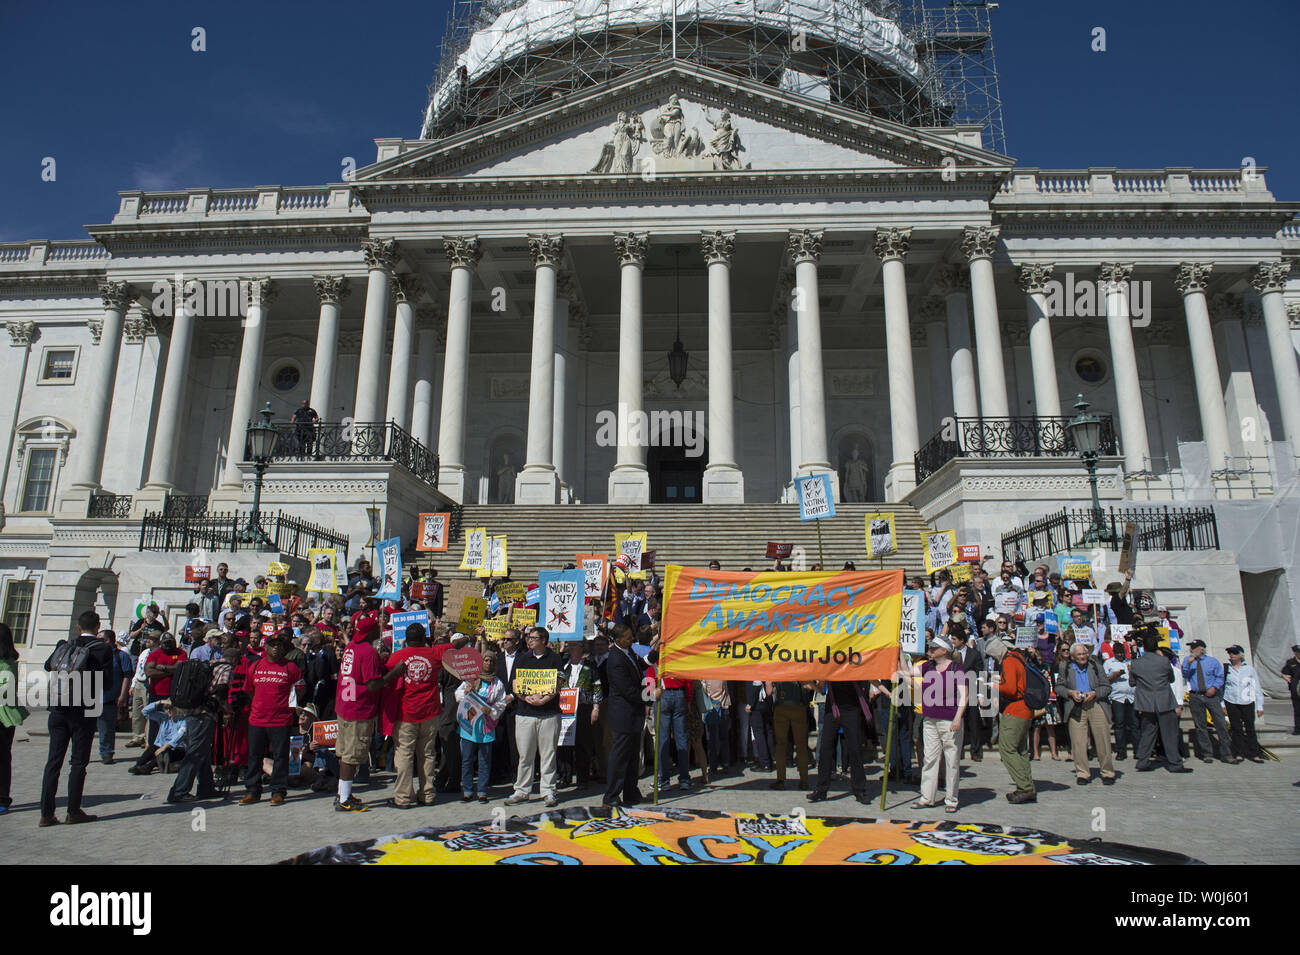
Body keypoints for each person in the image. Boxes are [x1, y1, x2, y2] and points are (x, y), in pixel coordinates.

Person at [40, 611, 114, 826]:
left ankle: (46, 813)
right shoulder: (102, 649)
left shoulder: (65, 644)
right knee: (78, 762)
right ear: (98, 626)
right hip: (84, 709)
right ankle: (73, 811)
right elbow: (108, 683)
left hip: (59, 707)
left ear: (78, 626)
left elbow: (48, 665)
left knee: (53, 761)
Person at [333, 615, 402, 811]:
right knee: (351, 756)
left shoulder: (351, 648)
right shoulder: (367, 652)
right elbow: (373, 685)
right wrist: (394, 673)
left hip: (345, 706)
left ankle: (342, 793)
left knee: (347, 753)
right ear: (372, 632)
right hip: (358, 709)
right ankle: (344, 800)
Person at [384, 622, 449, 808]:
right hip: (430, 712)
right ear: (424, 638)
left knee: (404, 754)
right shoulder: (434, 654)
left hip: (406, 713)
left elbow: (385, 677)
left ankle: (403, 797)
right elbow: (455, 645)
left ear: (406, 639)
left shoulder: (397, 656)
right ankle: (427, 794)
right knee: (427, 754)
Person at [239, 636, 305, 806]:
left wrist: (287, 707)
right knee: (254, 756)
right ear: (265, 648)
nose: (276, 648)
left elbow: (301, 689)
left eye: (279, 645)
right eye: (272, 645)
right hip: (257, 719)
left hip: (281, 720)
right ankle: (252, 791)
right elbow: (249, 690)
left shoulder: (291, 667)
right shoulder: (255, 666)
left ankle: (278, 791)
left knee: (280, 757)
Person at [506, 627, 564, 807]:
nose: (529, 640)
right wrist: (526, 697)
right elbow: (515, 684)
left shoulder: (555, 658)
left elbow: (558, 683)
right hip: (525, 714)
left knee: (548, 754)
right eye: (528, 637)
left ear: (544, 640)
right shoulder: (522, 658)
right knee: (525, 755)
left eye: (534, 638)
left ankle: (548, 790)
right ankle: (522, 790)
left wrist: (545, 699)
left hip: (549, 714)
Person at [911, 635, 967, 812]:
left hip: (949, 720)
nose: (931, 650)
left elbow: (964, 696)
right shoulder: (928, 666)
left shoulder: (957, 669)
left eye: (934, 648)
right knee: (930, 759)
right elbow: (908, 673)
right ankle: (927, 797)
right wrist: (898, 654)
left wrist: (958, 718)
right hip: (930, 719)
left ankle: (951, 800)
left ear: (945, 651)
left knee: (951, 760)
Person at [1131, 629, 1191, 773]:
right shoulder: (1164, 661)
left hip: (1146, 702)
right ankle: (1175, 763)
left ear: (1143, 647)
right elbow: (1171, 679)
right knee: (1169, 734)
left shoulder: (1136, 663)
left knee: (1148, 733)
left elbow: (1132, 682)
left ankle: (1142, 761)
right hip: (1164, 700)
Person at [984, 638, 1036, 803]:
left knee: (1007, 749)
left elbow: (1011, 689)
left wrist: (993, 685)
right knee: (1020, 750)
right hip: (1025, 709)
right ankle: (1027, 785)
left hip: (1015, 710)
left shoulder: (1008, 661)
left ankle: (1024, 787)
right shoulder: (1017, 657)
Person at [1056, 642, 1116, 786]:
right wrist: (1070, 692)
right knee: (1078, 741)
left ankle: (1107, 772)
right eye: (1079, 655)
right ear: (1072, 657)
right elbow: (1059, 687)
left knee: (1103, 739)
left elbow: (1106, 686)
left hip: (1095, 702)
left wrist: (1094, 693)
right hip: (1076, 705)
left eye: (1084, 654)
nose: (1083, 657)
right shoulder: (1065, 667)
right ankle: (1082, 773)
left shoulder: (1095, 665)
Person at [456, 652, 510, 801]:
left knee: (485, 760)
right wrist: (465, 692)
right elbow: (458, 694)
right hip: (469, 725)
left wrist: (492, 711)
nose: (488, 663)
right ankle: (467, 790)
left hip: (486, 726)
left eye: (491, 661)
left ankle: (482, 791)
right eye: (485, 660)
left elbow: (501, 703)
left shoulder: (497, 683)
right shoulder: (472, 679)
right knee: (467, 759)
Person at [602, 624, 646, 808]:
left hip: (634, 714)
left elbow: (640, 666)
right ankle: (611, 795)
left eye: (631, 635)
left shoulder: (629, 653)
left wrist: (655, 653)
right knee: (620, 756)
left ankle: (631, 791)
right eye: (627, 637)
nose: (631, 639)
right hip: (623, 714)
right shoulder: (615, 659)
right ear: (618, 640)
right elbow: (628, 690)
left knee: (633, 756)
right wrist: (650, 696)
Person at [808, 680, 871, 804]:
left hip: (851, 708)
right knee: (825, 748)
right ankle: (821, 789)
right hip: (832, 707)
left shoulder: (852, 663)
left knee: (855, 749)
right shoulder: (829, 664)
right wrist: (811, 683)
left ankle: (860, 789)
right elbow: (821, 689)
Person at [558, 640, 602, 789]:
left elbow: (597, 688)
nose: (570, 648)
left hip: (583, 708)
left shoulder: (590, 667)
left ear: (581, 648)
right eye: (570, 646)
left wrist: (595, 708)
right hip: (565, 709)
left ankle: (583, 779)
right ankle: (565, 776)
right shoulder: (563, 666)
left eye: (574, 645)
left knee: (583, 744)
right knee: (564, 743)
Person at [1181, 640, 1233, 763]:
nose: (1192, 650)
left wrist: (1214, 687)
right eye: (1191, 648)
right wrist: (1188, 664)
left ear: (1202, 649)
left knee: (1220, 724)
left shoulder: (1212, 662)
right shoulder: (1188, 661)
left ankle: (1227, 753)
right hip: (1196, 695)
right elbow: (1184, 674)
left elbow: (1220, 677)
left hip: (1211, 695)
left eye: (1194, 648)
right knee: (1200, 725)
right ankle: (1207, 753)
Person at [0, 623, 29, 815]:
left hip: (4, 717)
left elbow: (5, 691)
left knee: (2, 758)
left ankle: (2, 798)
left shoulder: (8, 663)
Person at [767, 679, 815, 791]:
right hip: (798, 707)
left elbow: (769, 691)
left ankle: (780, 780)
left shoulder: (777, 666)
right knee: (801, 745)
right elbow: (809, 687)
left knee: (780, 745)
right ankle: (804, 781)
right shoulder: (801, 664)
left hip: (781, 707)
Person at [1222, 645, 1265, 763]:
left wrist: (1260, 706)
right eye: (1230, 653)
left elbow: (1256, 688)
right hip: (1231, 701)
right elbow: (1223, 687)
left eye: (1234, 653)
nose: (1232, 655)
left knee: (1250, 728)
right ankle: (1239, 752)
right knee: (1236, 729)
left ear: (1241, 655)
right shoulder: (1226, 668)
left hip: (1247, 701)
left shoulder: (1249, 669)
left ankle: (1255, 753)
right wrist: (1222, 704)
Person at [94, 630, 131, 765]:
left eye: (100, 639)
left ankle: (107, 753)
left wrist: (122, 695)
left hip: (109, 698)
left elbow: (127, 676)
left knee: (107, 728)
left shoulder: (121, 656)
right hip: (91, 698)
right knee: (85, 729)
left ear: (108, 640)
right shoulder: (94, 654)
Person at [1105, 642, 1138, 760]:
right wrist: (1115, 675)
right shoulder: (1109, 663)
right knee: (1119, 724)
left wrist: (1131, 671)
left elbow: (1137, 679)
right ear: (1114, 653)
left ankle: (1137, 751)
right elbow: (1105, 680)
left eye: (1122, 653)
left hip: (1131, 697)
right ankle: (1121, 751)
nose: (1120, 655)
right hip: (1117, 697)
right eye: (1118, 653)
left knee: (1135, 724)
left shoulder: (1130, 662)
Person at [1283, 645, 1300, 735]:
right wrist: (1289, 680)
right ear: (1295, 652)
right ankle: (1298, 729)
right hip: (1296, 689)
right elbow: (1284, 673)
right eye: (1298, 652)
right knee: (1297, 709)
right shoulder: (1291, 662)